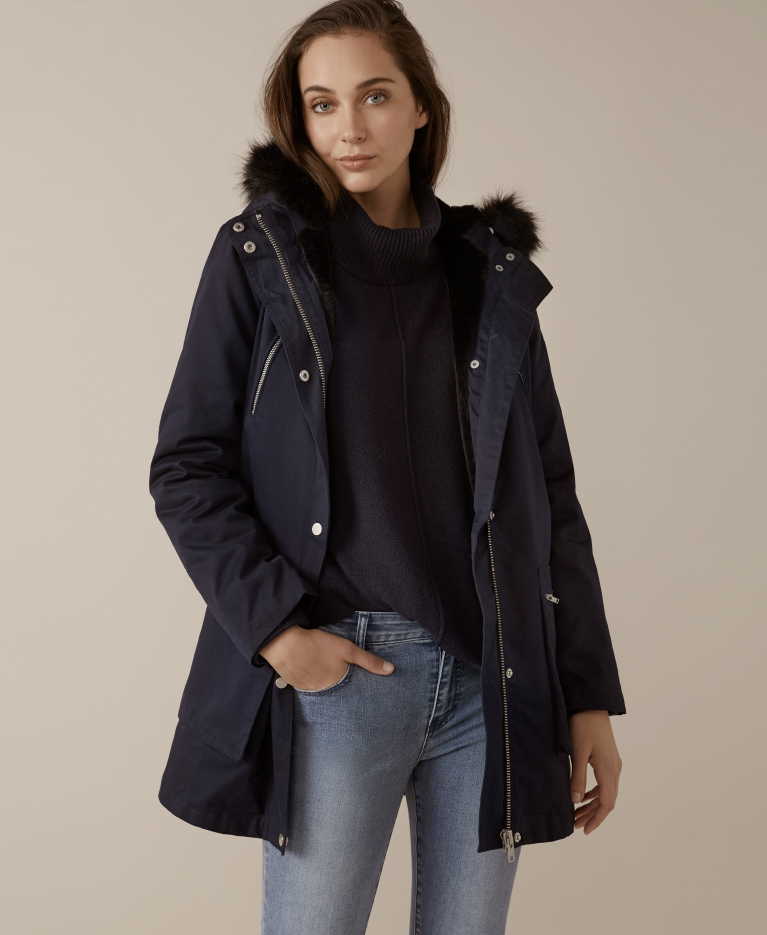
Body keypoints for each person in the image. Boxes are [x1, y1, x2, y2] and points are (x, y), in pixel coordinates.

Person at [148, 1, 626, 932]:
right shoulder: (260, 257)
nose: (349, 128)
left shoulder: (489, 275)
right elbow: (187, 465)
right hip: (342, 678)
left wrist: (587, 697)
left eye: (373, 95)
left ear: (419, 107)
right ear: (300, 120)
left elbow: (550, 496)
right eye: (322, 104)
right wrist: (277, 630)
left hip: (491, 684)